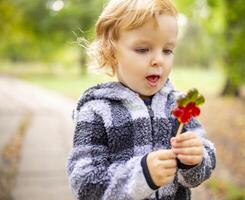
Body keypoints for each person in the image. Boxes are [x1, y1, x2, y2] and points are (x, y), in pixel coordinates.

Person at [66, 0, 216, 199]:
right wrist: (142, 175)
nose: (158, 60)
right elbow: (84, 183)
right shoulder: (96, 110)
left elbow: (203, 164)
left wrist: (195, 160)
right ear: (111, 52)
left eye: (167, 50)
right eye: (143, 49)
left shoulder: (180, 106)